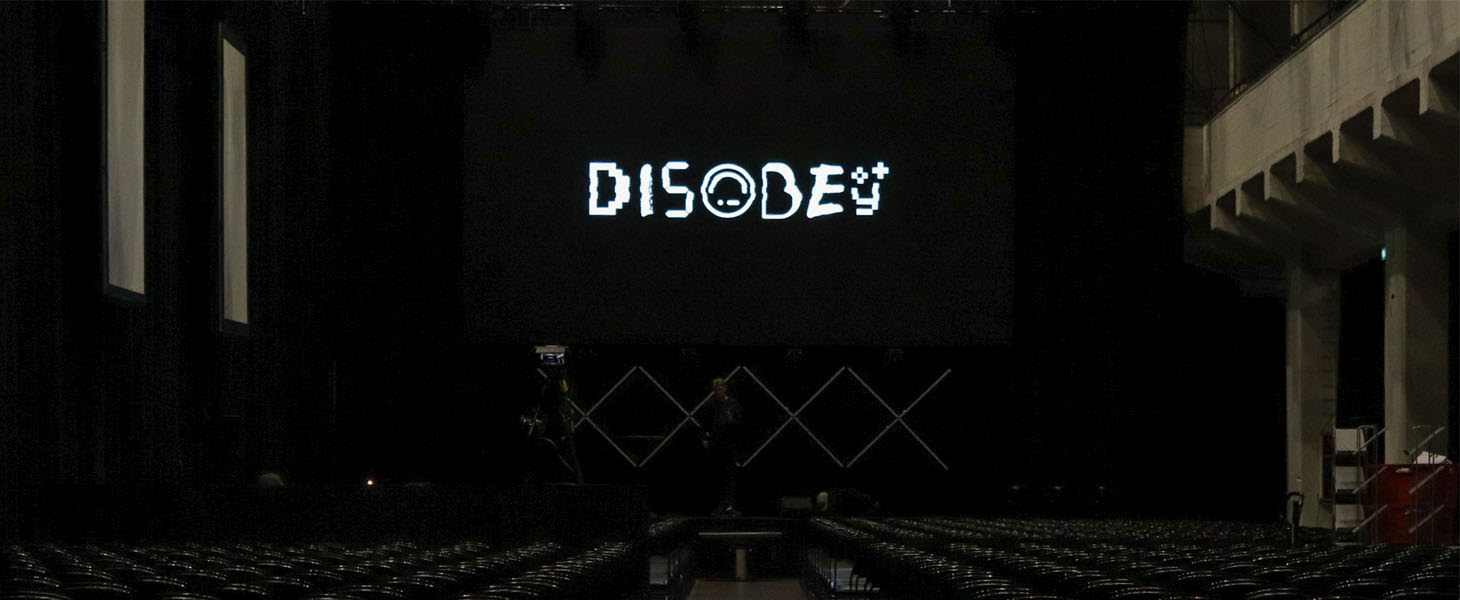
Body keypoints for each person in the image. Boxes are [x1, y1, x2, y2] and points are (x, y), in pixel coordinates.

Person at [702, 377, 743, 516]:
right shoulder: (710, 405)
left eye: (720, 385)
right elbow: (704, 423)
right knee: (717, 476)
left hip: (730, 444)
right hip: (716, 444)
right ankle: (719, 506)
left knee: (730, 476)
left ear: (725, 387)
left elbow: (740, 424)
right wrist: (705, 438)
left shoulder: (733, 403)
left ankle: (729, 505)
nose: (718, 388)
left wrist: (733, 421)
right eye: (716, 386)